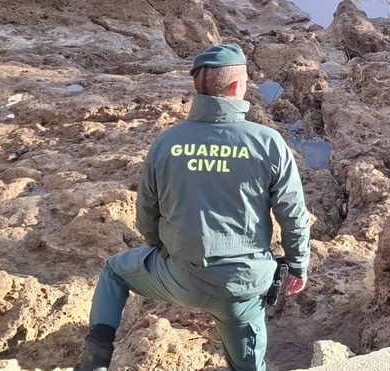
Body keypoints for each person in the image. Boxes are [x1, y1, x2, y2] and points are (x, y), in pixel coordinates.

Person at [77, 44, 310, 371]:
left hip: (179, 277)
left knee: (115, 271)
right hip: (241, 289)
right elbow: (293, 216)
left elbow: (146, 214)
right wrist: (298, 265)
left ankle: (96, 359)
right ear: (235, 88)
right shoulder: (268, 143)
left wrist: (163, 251)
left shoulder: (168, 142)